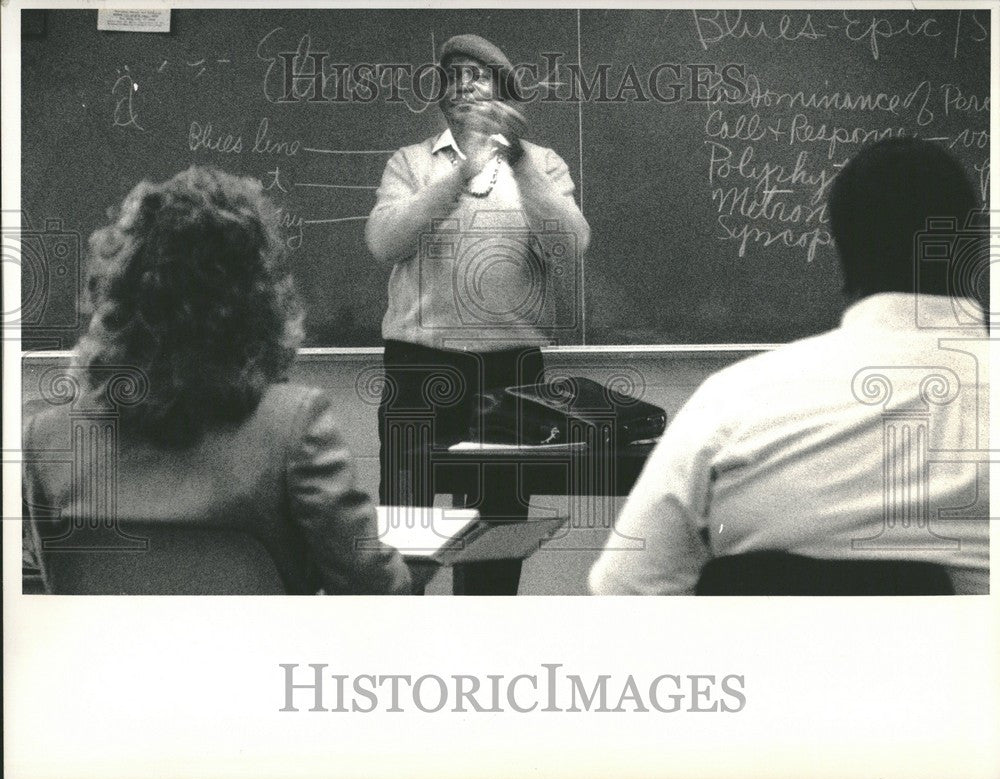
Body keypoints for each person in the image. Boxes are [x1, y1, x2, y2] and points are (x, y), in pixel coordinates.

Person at [589, 138, 989, 595]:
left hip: (768, 665)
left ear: (840, 245)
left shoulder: (733, 400)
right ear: (976, 245)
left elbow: (622, 587)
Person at [22, 166, 413, 595]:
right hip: (259, 661)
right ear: (258, 296)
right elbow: (376, 590)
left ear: (117, 292)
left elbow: (53, 593)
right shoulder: (293, 428)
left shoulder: (48, 439)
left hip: (111, 661)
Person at [366, 34, 590, 594]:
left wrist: (519, 164)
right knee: (410, 533)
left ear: (504, 93)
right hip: (419, 368)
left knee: (496, 538)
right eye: (454, 75)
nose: (464, 83)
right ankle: (401, 652)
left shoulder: (544, 166)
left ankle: (485, 646)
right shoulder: (411, 163)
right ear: (441, 95)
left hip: (511, 371)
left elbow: (571, 246)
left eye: (479, 74)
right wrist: (456, 176)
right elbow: (384, 242)